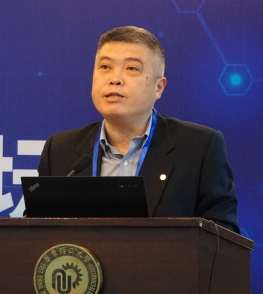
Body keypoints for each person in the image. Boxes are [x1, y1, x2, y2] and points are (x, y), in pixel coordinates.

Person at [37, 26, 239, 233]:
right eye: (105, 66)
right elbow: (37, 233)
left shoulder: (199, 148)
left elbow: (223, 235)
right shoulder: (60, 150)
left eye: (132, 68)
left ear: (158, 87)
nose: (115, 79)